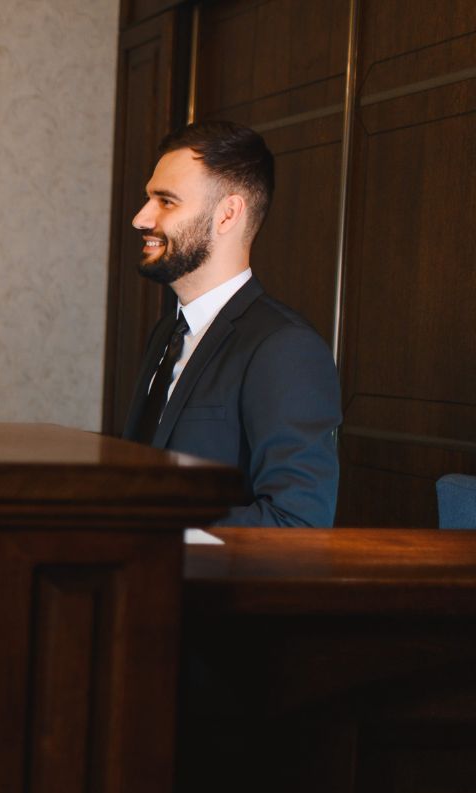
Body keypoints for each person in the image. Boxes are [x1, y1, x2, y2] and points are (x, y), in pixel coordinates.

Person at [122, 121, 342, 526]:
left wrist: (158, 533)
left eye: (166, 201)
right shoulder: (166, 333)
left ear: (227, 216)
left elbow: (298, 522)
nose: (140, 218)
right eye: (147, 199)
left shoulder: (284, 348)